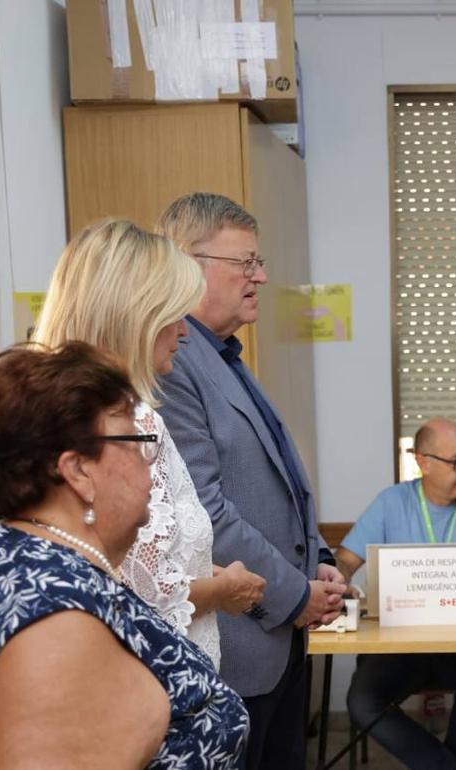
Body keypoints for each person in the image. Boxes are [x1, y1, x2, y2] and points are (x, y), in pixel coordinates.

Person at [0, 342, 248, 768]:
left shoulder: (24, 557)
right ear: (77, 471)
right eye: (136, 442)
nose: (151, 463)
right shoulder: (52, 617)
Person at [155, 192, 346, 769]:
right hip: (240, 639)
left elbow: (276, 483)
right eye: (246, 263)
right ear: (190, 265)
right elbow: (205, 509)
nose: (259, 277)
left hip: (278, 633)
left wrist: (318, 557)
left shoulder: (225, 354)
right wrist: (295, 595)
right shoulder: (175, 359)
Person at [32, 219, 266, 668]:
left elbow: (134, 563)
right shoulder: (125, 424)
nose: (184, 332)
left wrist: (202, 573)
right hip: (145, 683)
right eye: (175, 315)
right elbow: (139, 596)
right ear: (137, 315)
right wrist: (225, 589)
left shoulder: (68, 410)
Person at [334, 417, 456, 769]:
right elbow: (345, 560)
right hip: (398, 645)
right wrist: (338, 578)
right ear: (422, 462)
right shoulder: (392, 501)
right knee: (362, 702)